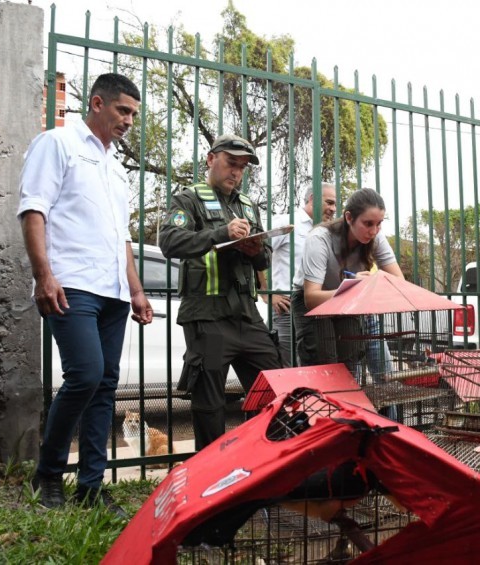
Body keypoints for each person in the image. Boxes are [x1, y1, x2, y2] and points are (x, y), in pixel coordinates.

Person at [18, 73, 153, 516]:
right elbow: (33, 209)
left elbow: (123, 237)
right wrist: (43, 275)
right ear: (97, 103)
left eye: (133, 114)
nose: (129, 120)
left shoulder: (116, 167)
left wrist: (136, 290)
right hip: (71, 282)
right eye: (123, 110)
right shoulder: (57, 144)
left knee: (105, 386)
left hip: (113, 290)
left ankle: (91, 487)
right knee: (86, 375)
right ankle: (48, 474)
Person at [159, 133, 281, 451]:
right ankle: (211, 471)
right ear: (211, 159)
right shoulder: (188, 199)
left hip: (246, 315)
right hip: (206, 315)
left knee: (273, 391)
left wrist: (255, 249)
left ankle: (261, 462)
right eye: (231, 163)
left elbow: (265, 258)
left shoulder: (248, 206)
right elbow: (169, 241)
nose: (236, 172)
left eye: (242, 167)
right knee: (209, 405)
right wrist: (220, 234)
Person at [291, 188, 404, 380]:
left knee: (350, 363)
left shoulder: (376, 237)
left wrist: (370, 283)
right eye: (368, 224)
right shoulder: (319, 238)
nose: (374, 231)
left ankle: (348, 399)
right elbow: (311, 298)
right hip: (314, 303)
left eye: (379, 224)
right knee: (323, 363)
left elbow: (398, 282)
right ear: (349, 217)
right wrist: (354, 287)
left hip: (348, 299)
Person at [259, 183, 337, 366]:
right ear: (312, 199)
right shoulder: (287, 223)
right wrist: (266, 294)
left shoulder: (328, 231)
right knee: (287, 367)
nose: (333, 209)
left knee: (313, 364)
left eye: (335, 204)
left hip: (317, 307)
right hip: (286, 307)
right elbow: (256, 252)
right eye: (329, 202)